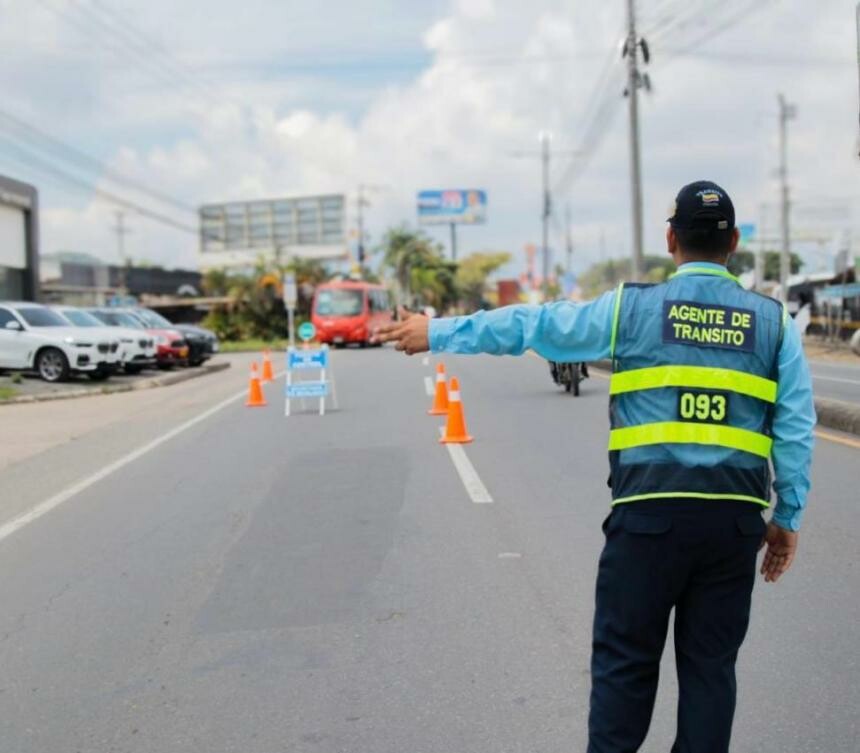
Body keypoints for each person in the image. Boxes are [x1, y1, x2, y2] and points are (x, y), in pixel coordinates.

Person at [374, 180, 815, 753]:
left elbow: (535, 325)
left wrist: (436, 330)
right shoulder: (774, 324)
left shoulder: (628, 309)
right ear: (733, 243)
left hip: (647, 523)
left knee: (624, 671)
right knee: (711, 673)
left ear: (670, 239)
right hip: (732, 527)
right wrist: (789, 516)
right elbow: (796, 430)